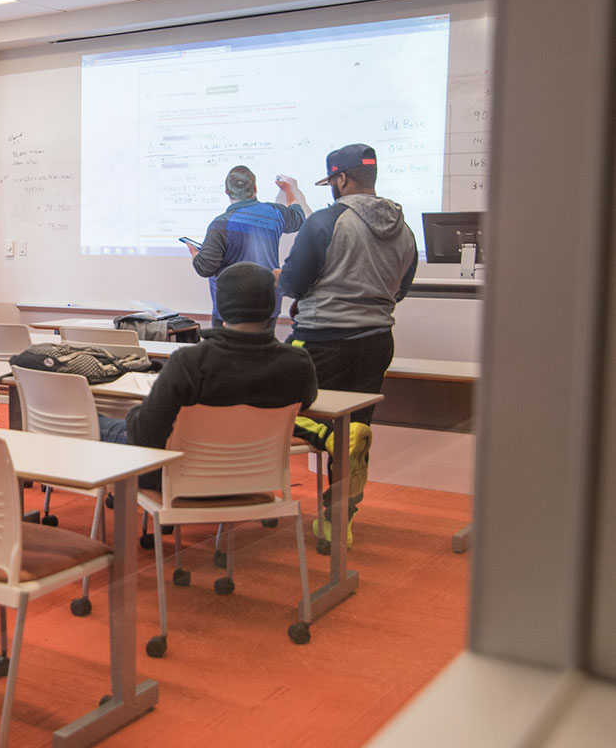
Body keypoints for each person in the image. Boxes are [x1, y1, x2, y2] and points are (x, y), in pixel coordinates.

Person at [277, 143, 418, 543]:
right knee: (357, 431)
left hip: (321, 338)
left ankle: (325, 435)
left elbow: (291, 284)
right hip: (376, 342)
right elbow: (400, 290)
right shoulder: (405, 230)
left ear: (341, 179)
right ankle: (337, 523)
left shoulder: (325, 223)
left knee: (275, 402)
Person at [105, 264, 318, 479]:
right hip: (255, 478)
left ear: (221, 304)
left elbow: (144, 437)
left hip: (180, 478)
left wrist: (134, 410)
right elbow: (306, 402)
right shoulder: (297, 364)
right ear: (272, 305)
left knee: (98, 423)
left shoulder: (189, 363)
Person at [188, 166, 310, 327]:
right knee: (263, 352)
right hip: (268, 306)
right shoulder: (275, 213)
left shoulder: (220, 224)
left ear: (226, 191)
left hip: (230, 310)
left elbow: (205, 268)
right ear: (255, 188)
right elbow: (298, 216)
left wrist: (195, 253)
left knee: (226, 352)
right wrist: (290, 190)